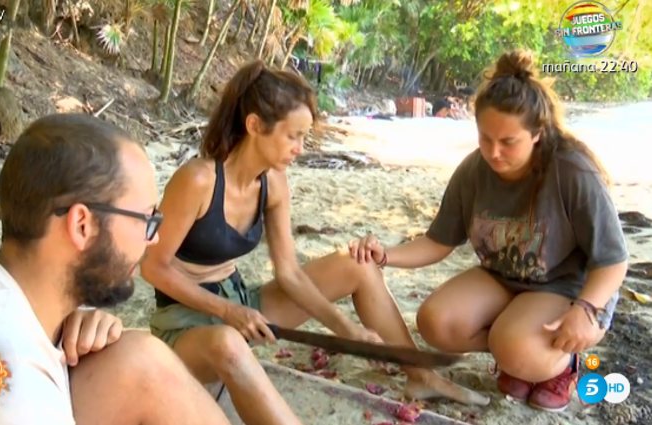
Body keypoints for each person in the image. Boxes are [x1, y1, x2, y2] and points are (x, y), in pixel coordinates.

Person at [140, 60, 488, 425]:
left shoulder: (273, 182)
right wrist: (228, 313)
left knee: (357, 266)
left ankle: (420, 374)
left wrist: (347, 331)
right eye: (293, 136)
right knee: (228, 344)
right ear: (255, 125)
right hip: (184, 324)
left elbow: (289, 272)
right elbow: (152, 267)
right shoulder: (198, 180)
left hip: (243, 304)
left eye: (305, 136)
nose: (300, 148)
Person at [0, 114, 230, 425]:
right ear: (82, 225)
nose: (154, 237)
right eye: (147, 219)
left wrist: (74, 318)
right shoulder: (10, 390)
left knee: (142, 359)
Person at [349, 50, 628, 412]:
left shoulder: (572, 171)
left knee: (515, 347)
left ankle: (560, 363)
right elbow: (438, 241)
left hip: (566, 289)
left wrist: (588, 310)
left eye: (508, 142)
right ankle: (518, 347)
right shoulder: (473, 170)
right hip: (502, 279)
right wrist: (386, 254)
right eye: (485, 138)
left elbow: (613, 260)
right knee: (436, 322)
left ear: (537, 134)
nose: (494, 153)